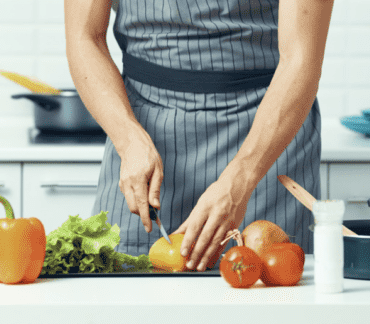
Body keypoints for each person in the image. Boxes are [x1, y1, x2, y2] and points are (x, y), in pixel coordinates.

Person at [66, 0, 333, 271]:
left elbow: (301, 59)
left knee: (271, 296)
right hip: (143, 135)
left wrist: (242, 177)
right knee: (124, 301)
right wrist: (128, 139)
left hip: (266, 140)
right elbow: (84, 37)